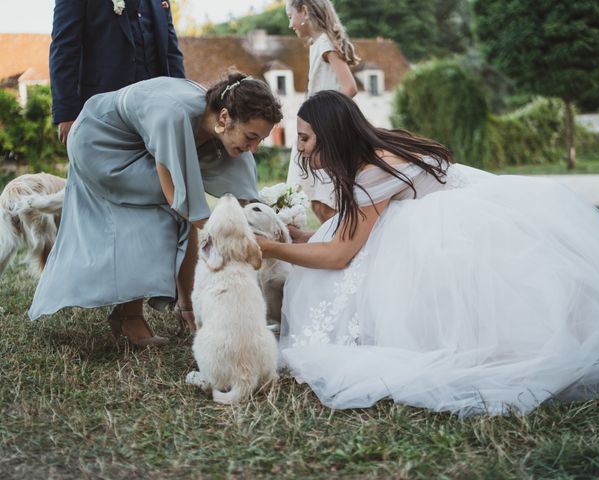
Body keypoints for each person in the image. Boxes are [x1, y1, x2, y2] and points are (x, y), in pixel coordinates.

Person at [256, 90, 599, 416]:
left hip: (456, 231)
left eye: (305, 139)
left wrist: (272, 248)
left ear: (331, 135)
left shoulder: (375, 170)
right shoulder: (376, 149)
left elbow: (341, 253)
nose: (300, 148)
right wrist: (305, 237)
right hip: (474, 207)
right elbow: (358, 226)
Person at [29, 73, 283, 347]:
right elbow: (176, 195)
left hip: (140, 142)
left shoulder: (222, 125)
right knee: (163, 214)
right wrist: (225, 233)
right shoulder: (172, 115)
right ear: (224, 118)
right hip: (100, 142)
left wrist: (275, 226)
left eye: (260, 141)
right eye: (251, 137)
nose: (254, 149)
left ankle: (183, 306)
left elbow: (246, 199)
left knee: (183, 209)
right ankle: (132, 317)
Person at [50, 0, 185, 144]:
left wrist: (183, 101)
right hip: (104, 113)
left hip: (160, 112)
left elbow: (171, 51)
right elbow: (64, 48)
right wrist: (66, 114)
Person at [285, 0, 359, 223]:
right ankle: (334, 246)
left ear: (305, 11)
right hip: (314, 132)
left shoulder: (326, 44)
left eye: (291, 16)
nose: (291, 24)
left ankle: (339, 248)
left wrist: (323, 120)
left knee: (325, 202)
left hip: (324, 135)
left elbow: (350, 87)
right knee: (317, 201)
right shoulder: (317, 44)